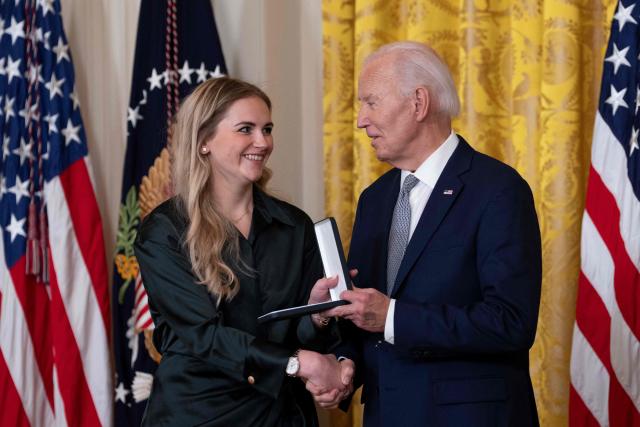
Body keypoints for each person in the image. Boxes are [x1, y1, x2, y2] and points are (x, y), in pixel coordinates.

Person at [313, 41, 542, 426]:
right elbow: (365, 313)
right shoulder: (375, 199)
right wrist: (344, 363)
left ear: (418, 103)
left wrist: (393, 316)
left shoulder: (498, 189)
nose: (360, 120)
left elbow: (510, 322)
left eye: (371, 102)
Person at [134, 77, 353, 427]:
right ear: (204, 140)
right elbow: (204, 337)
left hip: (284, 415)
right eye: (245, 129)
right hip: (200, 415)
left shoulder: (295, 226)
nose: (262, 142)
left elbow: (312, 335)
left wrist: (317, 316)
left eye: (267, 129)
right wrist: (297, 363)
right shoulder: (164, 231)